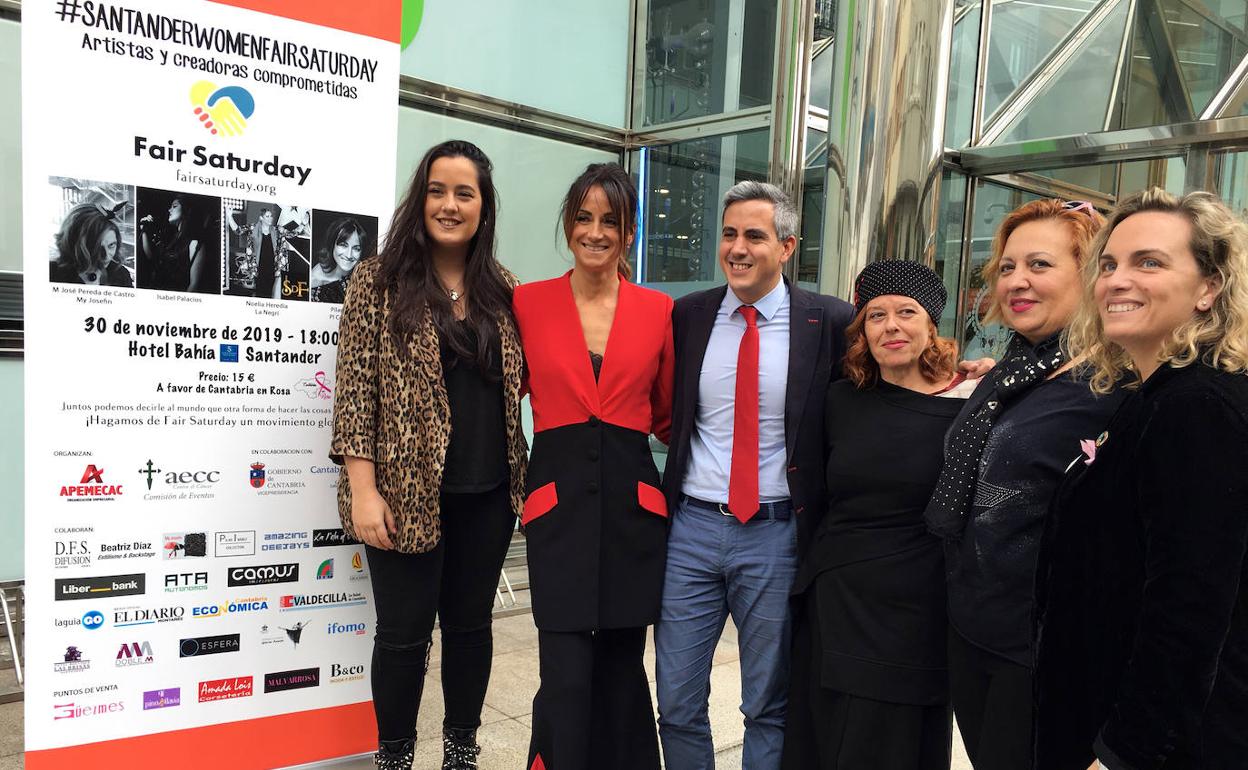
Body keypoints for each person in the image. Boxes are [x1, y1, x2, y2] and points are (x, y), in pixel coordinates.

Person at [330, 140, 528, 770]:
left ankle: (461, 750)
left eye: (464, 193)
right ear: (420, 199)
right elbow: (355, 391)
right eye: (437, 191)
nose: (449, 204)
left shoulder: (504, 289)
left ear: (483, 206)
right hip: (402, 496)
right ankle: (394, 755)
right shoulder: (377, 281)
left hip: (490, 494)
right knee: (402, 636)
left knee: (471, 631)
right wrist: (364, 491)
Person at [1034, 189, 1248, 770]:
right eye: (1108, 264)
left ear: (1210, 288)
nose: (1116, 281)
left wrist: (1124, 753)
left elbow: (1190, 609)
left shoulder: (1197, 407)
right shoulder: (1154, 393)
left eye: (1148, 262)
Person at [656, 180, 855, 770]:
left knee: (767, 703)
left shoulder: (830, 321)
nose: (737, 248)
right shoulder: (689, 315)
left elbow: (881, 386)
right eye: (728, 234)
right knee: (676, 700)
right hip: (691, 531)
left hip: (775, 536)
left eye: (755, 236)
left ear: (787, 246)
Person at [923, 199, 1122, 770]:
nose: (1017, 281)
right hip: (972, 628)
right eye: (1007, 268)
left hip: (1039, 652)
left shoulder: (1112, 381)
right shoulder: (1016, 366)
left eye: (1039, 264)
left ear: (1089, 274)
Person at [512, 163, 673, 770]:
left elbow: (667, 414)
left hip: (634, 513)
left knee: (622, 667)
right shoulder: (528, 303)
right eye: (584, 217)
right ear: (568, 225)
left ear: (629, 232)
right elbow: (506, 393)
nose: (596, 231)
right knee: (566, 671)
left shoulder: (658, 310)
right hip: (558, 509)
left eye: (611, 220)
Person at [783, 260, 970, 770]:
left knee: (894, 740)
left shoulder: (968, 404)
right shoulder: (840, 400)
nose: (892, 326)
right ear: (862, 331)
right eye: (876, 315)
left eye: (907, 313)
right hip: (839, 598)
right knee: (827, 736)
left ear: (931, 326)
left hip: (918, 606)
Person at [138, 196, 214, 293]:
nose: (169, 210)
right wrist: (144, 230)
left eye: (174, 206)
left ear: (185, 210)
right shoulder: (171, 239)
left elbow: (194, 285)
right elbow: (151, 257)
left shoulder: (194, 243)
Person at [49, 202, 133, 287]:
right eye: (96, 247)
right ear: (73, 244)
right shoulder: (51, 273)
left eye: (111, 245)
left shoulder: (122, 274)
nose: (106, 257)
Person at [227, 206, 282, 299]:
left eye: (271, 216)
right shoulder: (253, 228)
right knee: (260, 291)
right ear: (261, 218)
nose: (270, 218)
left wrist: (303, 224)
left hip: (271, 267)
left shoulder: (275, 230)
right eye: (267, 216)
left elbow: (290, 234)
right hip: (257, 267)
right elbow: (237, 230)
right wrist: (230, 216)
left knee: (269, 292)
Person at [312, 217, 367, 303]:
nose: (349, 255)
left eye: (356, 249)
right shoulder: (315, 281)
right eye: (343, 245)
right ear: (332, 244)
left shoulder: (365, 275)